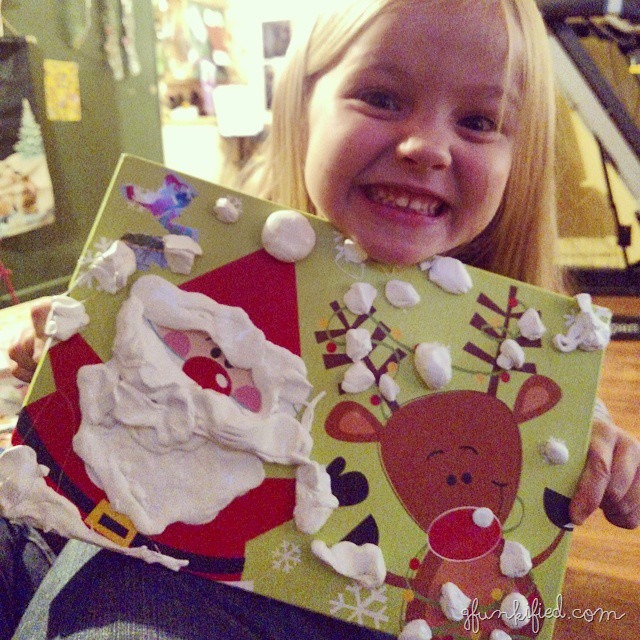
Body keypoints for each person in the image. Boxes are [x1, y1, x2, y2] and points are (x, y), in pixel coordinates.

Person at [4, 0, 640, 638]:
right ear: (302, 108)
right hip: (131, 549)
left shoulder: (526, 345)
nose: (426, 147)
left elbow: (552, 439)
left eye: (478, 120)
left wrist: (602, 452)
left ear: (518, 157)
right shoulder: (196, 256)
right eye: (381, 98)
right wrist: (67, 348)